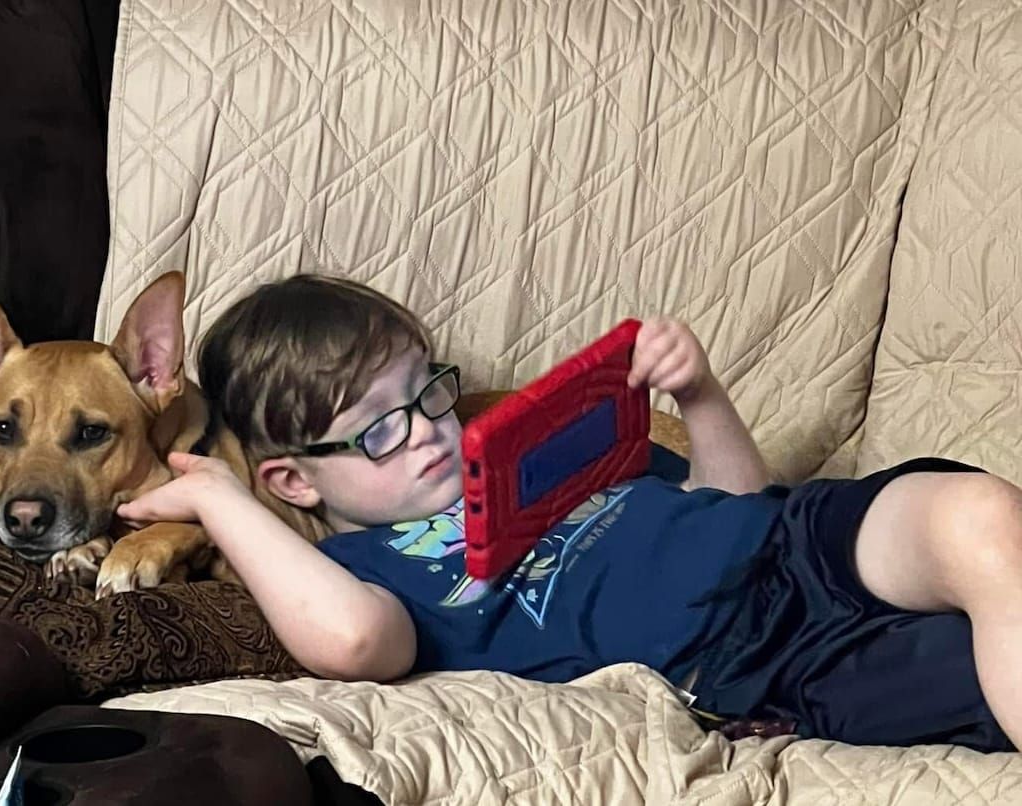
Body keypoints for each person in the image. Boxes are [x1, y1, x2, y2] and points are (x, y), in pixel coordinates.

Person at [118, 274, 1019, 752]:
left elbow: (737, 502)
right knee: (966, 678)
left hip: (801, 537)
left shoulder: (531, 454)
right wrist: (213, 496)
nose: (430, 433)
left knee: (979, 516)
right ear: (296, 482)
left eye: (427, 394)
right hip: (758, 661)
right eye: (379, 432)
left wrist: (698, 392)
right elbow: (353, 645)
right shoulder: (365, 576)